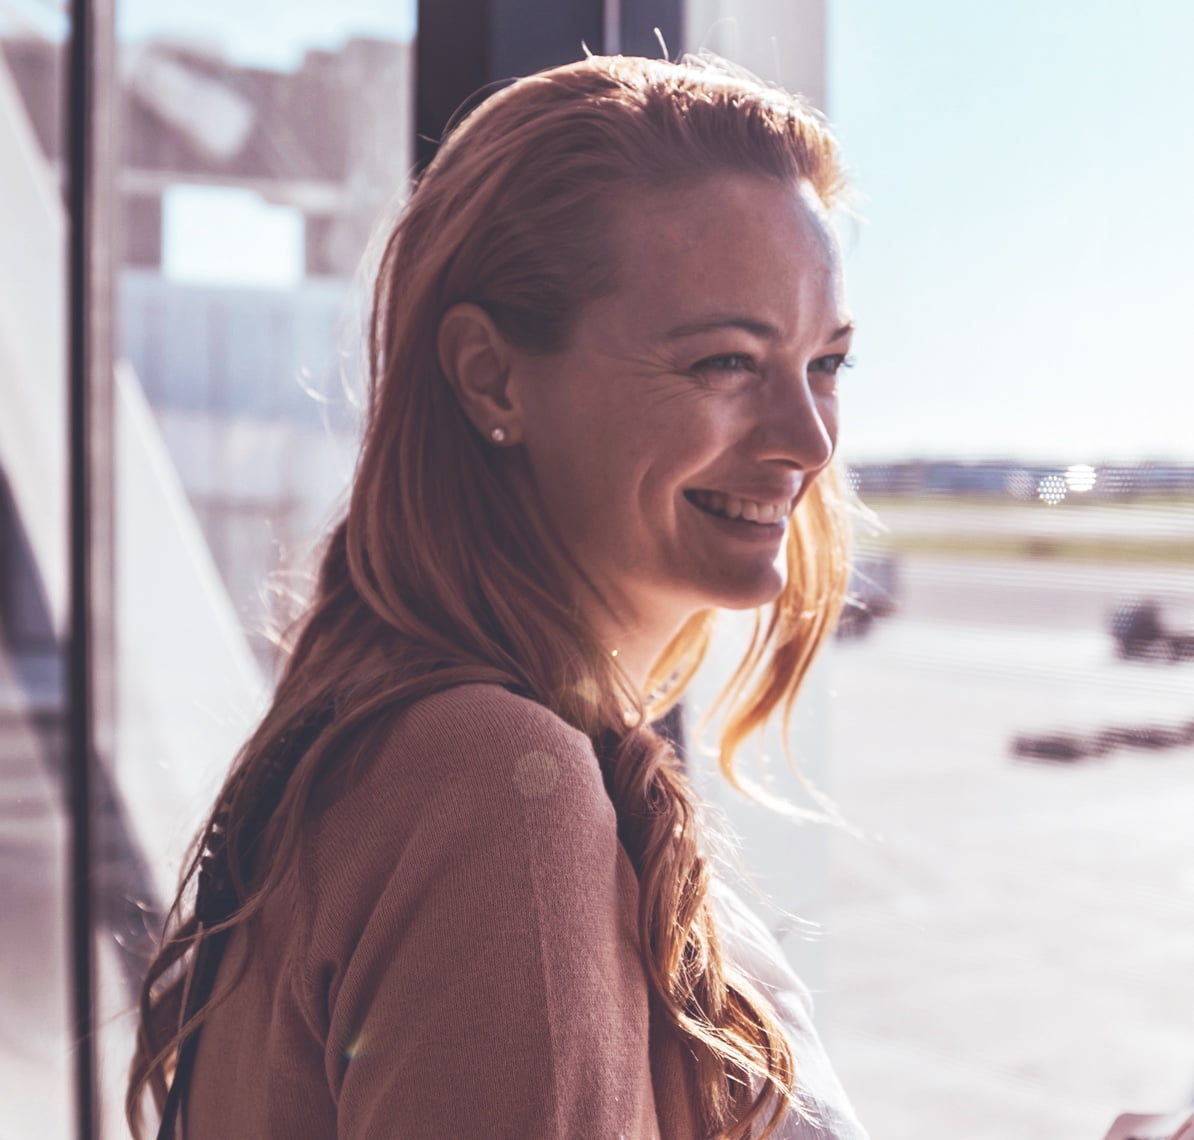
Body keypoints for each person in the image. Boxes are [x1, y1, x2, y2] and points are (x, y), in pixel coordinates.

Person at [127, 53, 869, 1140]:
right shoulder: (503, 790)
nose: (808, 441)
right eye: (723, 362)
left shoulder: (444, 747)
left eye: (827, 365)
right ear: (491, 377)